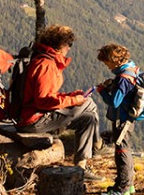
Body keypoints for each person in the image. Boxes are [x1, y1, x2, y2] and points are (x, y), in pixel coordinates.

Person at [15, 24, 101, 176]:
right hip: (34, 121)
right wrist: (74, 100)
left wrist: (70, 96)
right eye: (69, 44)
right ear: (61, 45)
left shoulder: (42, 59)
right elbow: (43, 101)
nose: (69, 48)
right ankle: (98, 145)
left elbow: (47, 95)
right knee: (89, 103)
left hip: (34, 116)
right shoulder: (46, 65)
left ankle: (81, 165)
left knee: (88, 119)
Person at [96, 43, 144, 195]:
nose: (106, 66)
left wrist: (102, 91)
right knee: (125, 149)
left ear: (115, 60)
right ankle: (127, 184)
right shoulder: (131, 69)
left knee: (121, 152)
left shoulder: (124, 78)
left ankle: (122, 189)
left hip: (122, 120)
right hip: (128, 119)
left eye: (107, 62)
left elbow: (114, 102)